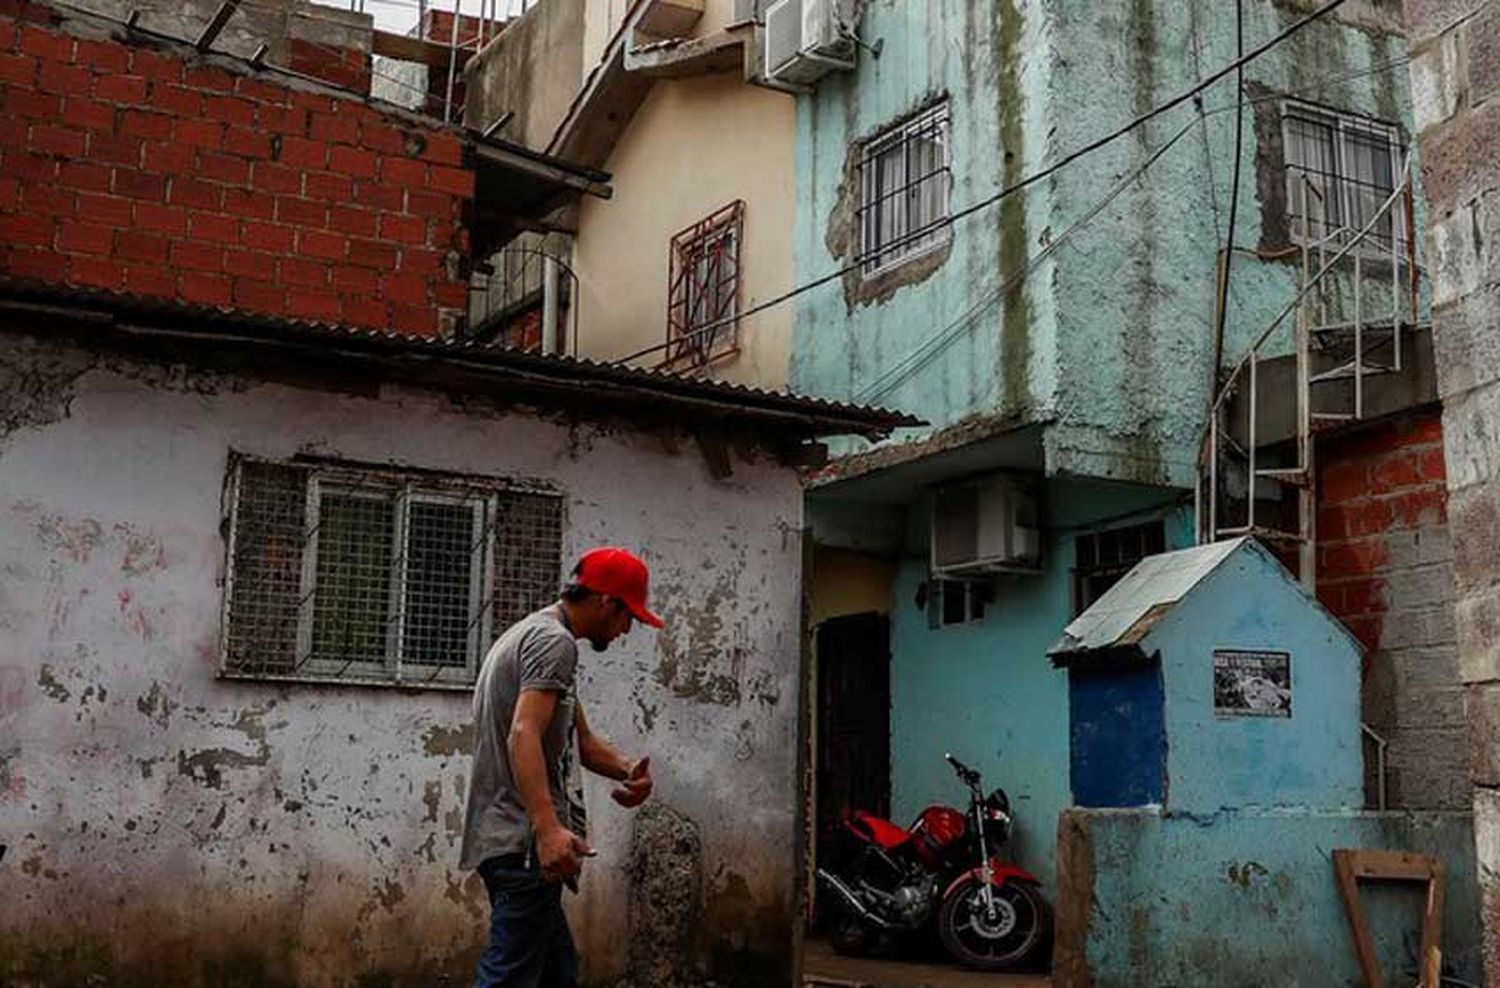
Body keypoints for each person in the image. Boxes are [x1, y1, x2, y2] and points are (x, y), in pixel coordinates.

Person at [459, 546, 663, 988]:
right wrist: (548, 830)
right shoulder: (554, 643)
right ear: (607, 601)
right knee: (509, 978)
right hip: (524, 846)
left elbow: (583, 744)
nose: (627, 630)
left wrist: (630, 769)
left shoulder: (535, 635)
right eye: (629, 617)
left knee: (556, 975)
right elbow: (523, 734)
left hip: (512, 842)